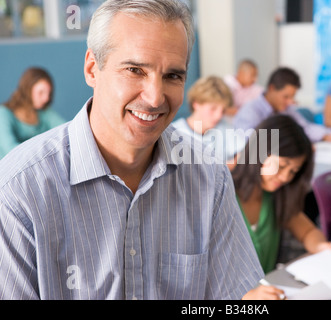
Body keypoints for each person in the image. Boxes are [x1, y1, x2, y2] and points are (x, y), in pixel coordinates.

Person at [0, 0, 264, 300]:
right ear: (92, 69)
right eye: (135, 70)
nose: (154, 98)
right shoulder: (18, 191)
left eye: (172, 76)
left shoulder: (208, 178)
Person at [233, 115, 331, 300]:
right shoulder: (219, 188)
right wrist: (246, 296)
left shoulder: (276, 195)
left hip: (267, 293)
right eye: (281, 166)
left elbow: (307, 232)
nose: (286, 177)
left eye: (293, 171)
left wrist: (322, 247)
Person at [233, 66, 331, 143]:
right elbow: (251, 143)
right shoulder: (250, 111)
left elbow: (304, 128)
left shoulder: (286, 109)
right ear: (272, 88)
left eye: (292, 97)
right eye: (286, 97)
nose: (289, 101)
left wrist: (326, 135)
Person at [172, 75, 245, 163]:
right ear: (196, 104)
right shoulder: (174, 133)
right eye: (213, 108)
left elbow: (243, 155)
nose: (219, 115)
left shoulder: (224, 127)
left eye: (223, 110)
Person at [0, 67, 65, 159]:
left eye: (48, 93)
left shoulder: (44, 113)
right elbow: (10, 150)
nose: (46, 98)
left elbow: (66, 129)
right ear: (27, 90)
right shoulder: (4, 113)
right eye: (41, 92)